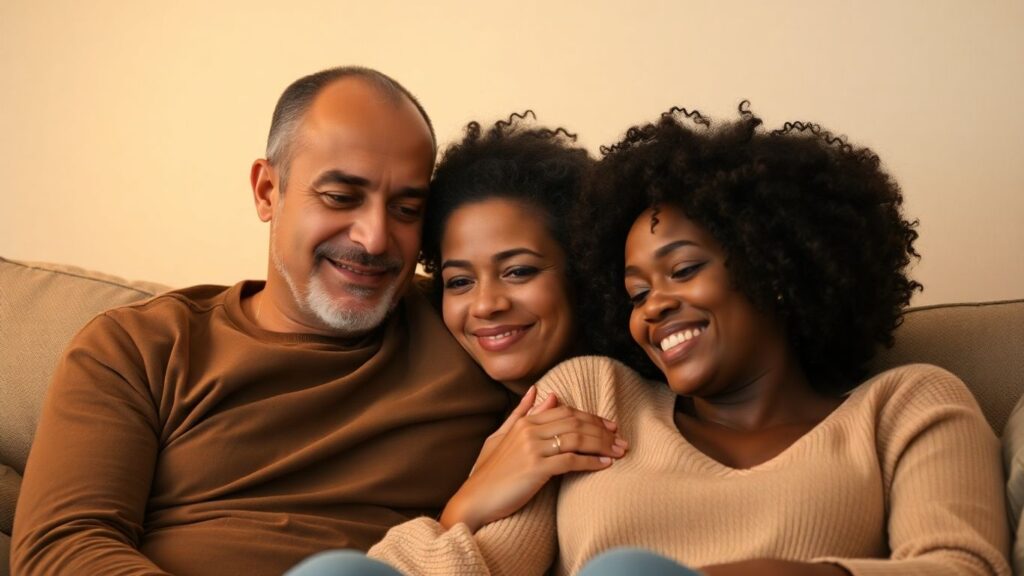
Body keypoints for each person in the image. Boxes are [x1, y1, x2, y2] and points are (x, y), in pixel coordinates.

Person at [357, 105, 1011, 575]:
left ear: (775, 267)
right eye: (636, 292)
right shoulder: (594, 393)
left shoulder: (908, 406)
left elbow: (961, 566)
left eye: (683, 270)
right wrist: (440, 526)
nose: (655, 306)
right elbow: (488, 564)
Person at [11, 67, 514, 576]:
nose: (375, 238)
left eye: (406, 209)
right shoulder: (139, 347)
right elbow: (62, 548)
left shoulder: (472, 324)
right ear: (268, 191)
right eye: (341, 198)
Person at [286, 115, 630, 575]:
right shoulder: (485, 402)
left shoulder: (609, 390)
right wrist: (470, 501)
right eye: (460, 281)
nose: (486, 304)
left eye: (519, 271)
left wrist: (463, 508)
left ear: (582, 269)